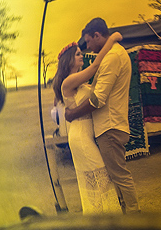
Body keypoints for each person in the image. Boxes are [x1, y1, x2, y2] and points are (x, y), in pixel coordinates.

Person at [65, 17, 139, 212]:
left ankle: (133, 214)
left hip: (110, 126)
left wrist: (72, 114)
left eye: (88, 42)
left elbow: (97, 100)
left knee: (119, 175)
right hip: (109, 125)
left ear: (97, 35)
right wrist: (114, 38)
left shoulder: (113, 57)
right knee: (115, 175)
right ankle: (127, 212)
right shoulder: (113, 54)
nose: (87, 48)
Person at [51, 35, 123, 213]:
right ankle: (106, 219)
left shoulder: (79, 81)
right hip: (81, 137)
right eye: (77, 54)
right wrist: (111, 39)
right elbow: (95, 66)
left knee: (96, 179)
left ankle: (102, 219)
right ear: (69, 60)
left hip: (85, 134)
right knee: (100, 178)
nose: (81, 56)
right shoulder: (68, 81)